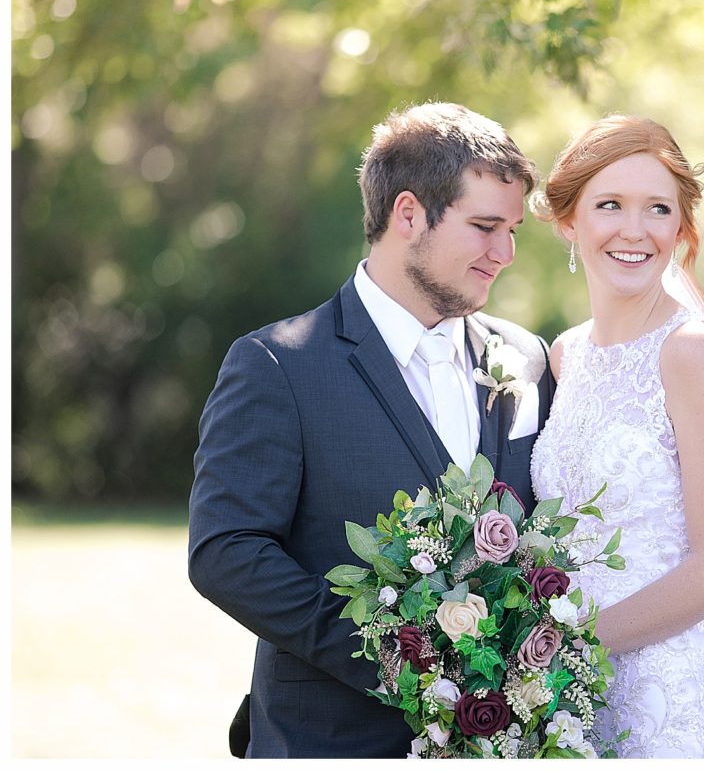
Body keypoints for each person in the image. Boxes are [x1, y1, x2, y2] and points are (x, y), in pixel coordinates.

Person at [188, 101, 551, 760]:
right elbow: (227, 552)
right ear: (407, 215)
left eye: (514, 230)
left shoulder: (524, 359)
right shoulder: (280, 364)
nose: (505, 253)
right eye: (484, 227)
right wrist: (402, 660)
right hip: (332, 740)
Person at [532, 114, 704, 759]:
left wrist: (567, 644)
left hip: (664, 695)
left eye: (658, 209)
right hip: (568, 700)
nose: (635, 230)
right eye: (610, 205)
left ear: (680, 228)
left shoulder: (691, 353)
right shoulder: (564, 357)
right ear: (569, 221)